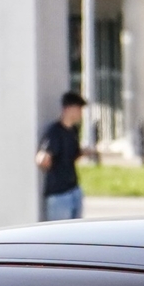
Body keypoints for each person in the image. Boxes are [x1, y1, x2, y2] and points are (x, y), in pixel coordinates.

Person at [36, 91, 87, 220]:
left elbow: (74, 154)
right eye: (78, 109)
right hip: (59, 194)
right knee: (60, 235)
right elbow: (43, 157)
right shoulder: (54, 132)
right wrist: (43, 159)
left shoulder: (73, 131)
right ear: (68, 109)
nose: (80, 113)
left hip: (73, 189)